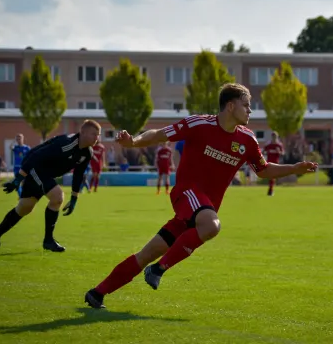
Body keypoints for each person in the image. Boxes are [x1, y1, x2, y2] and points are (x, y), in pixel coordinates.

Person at [84, 83, 317, 309]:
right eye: (246, 105)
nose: (250, 110)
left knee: (146, 253)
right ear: (230, 106)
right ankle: (158, 270)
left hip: (198, 211)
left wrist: (294, 168)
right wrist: (133, 142)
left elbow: (263, 169)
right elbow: (161, 134)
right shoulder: (199, 124)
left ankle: (97, 293)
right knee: (212, 225)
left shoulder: (247, 139)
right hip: (187, 195)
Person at [0, 120, 101, 253]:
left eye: (98, 135)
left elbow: (78, 174)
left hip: (45, 174)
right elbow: (35, 156)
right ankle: (48, 241)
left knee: (24, 208)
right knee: (57, 197)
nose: (97, 138)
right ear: (82, 132)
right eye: (94, 134)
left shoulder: (87, 153)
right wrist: (18, 180)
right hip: (35, 167)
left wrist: (74, 199)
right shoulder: (66, 143)